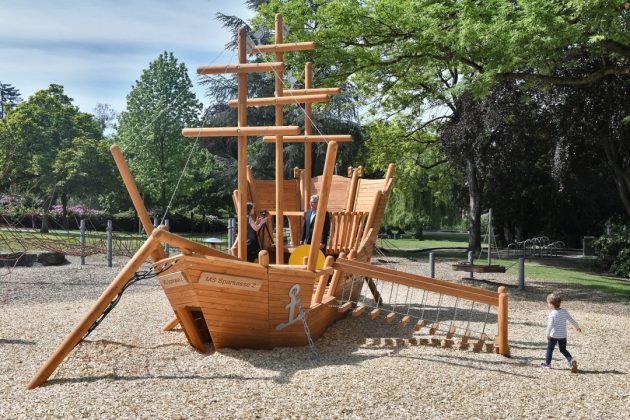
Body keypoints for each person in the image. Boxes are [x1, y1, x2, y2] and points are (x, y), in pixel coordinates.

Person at [541, 293, 582, 372]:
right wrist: (577, 327)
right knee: (563, 349)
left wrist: (547, 334)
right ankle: (571, 360)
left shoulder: (552, 314)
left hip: (553, 336)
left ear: (551, 304)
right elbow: (571, 320)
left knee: (550, 349)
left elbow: (550, 326)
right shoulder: (564, 312)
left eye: (548, 303)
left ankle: (547, 364)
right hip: (563, 336)